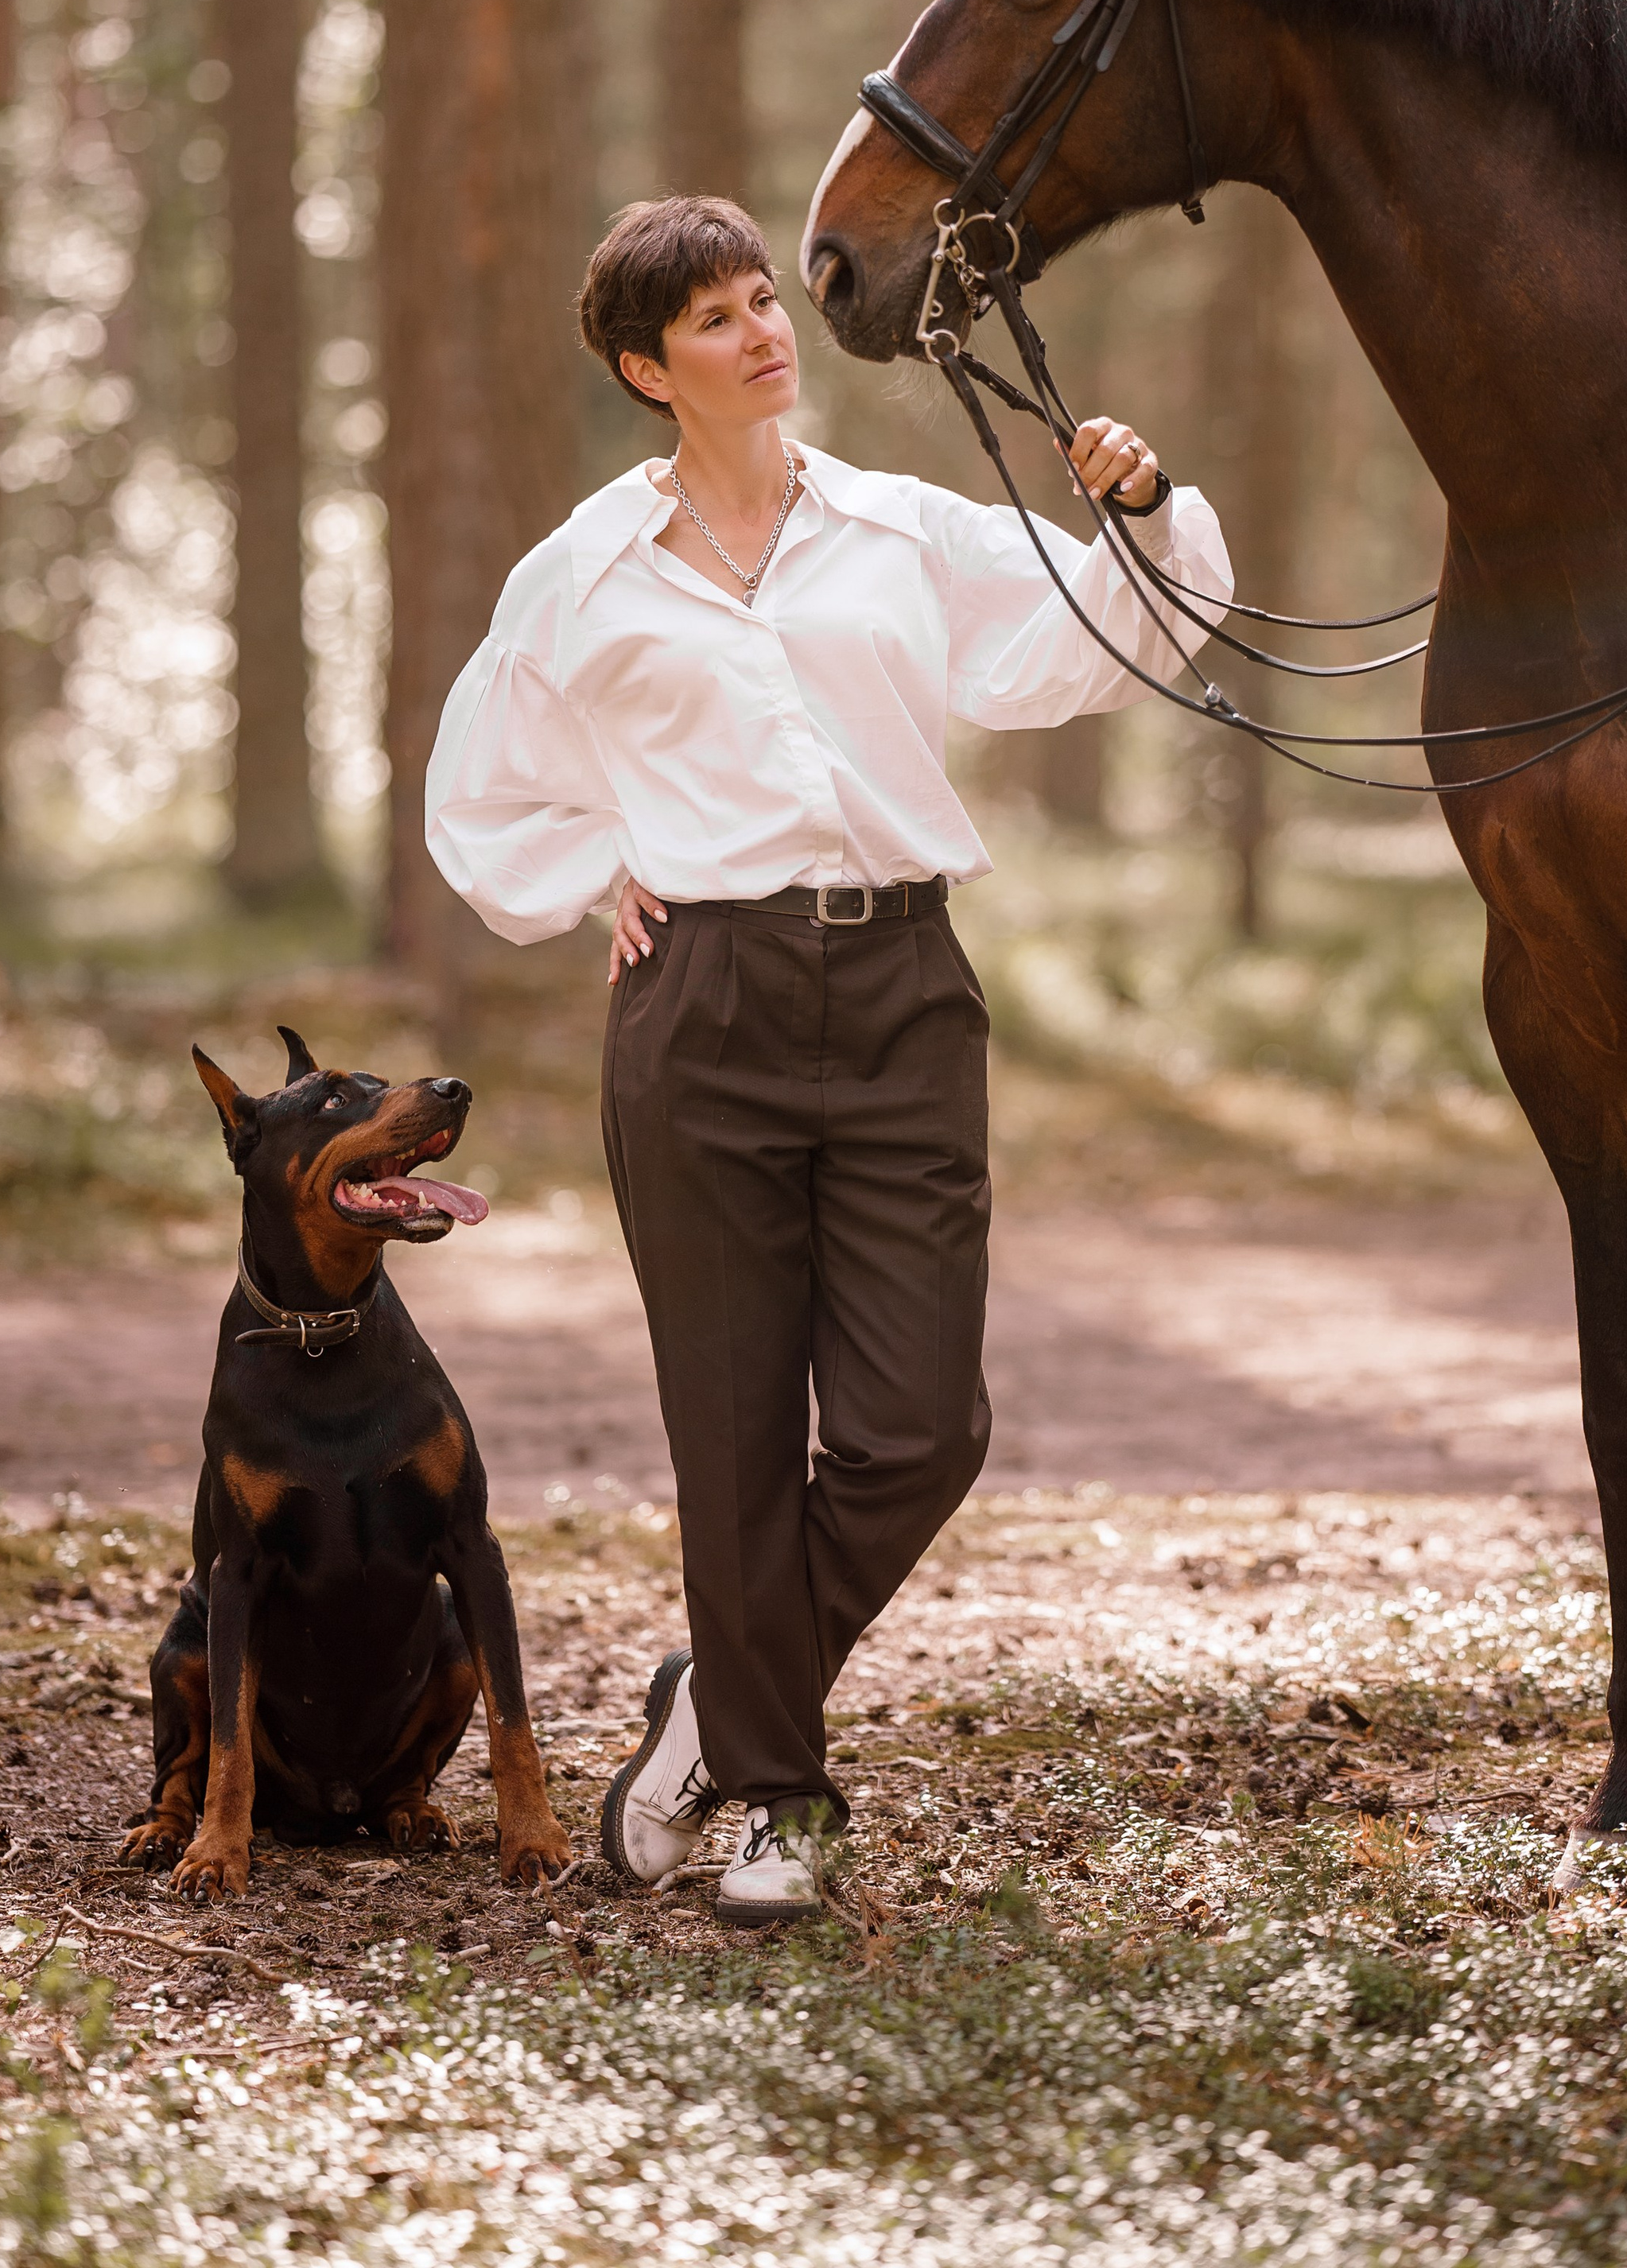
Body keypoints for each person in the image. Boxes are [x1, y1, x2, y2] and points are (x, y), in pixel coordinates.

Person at [425, 193, 1231, 1924]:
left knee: (915, 1427)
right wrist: (592, 874)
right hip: (697, 1013)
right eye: (711, 319)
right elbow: (479, 792)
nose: (761, 330)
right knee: (729, 1435)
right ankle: (783, 1798)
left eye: (755, 300)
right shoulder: (579, 570)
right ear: (648, 371)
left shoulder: (898, 530)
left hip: (900, 997)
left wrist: (1146, 515)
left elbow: (1103, 642)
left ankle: (711, 1705)